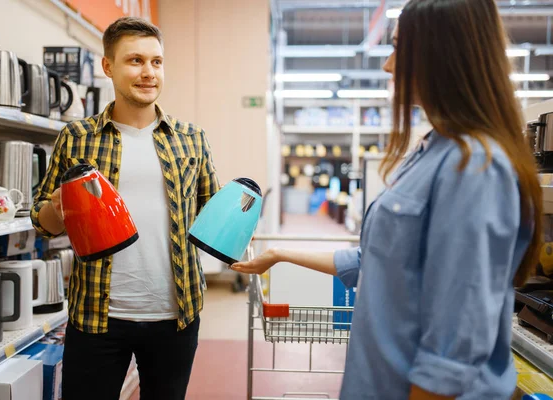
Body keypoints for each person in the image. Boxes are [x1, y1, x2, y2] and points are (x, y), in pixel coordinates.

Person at [232, 0, 543, 399]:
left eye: (399, 49)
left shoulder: (475, 167)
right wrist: (279, 253)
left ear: (442, 54)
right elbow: (374, 262)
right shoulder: (430, 152)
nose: (388, 65)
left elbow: (451, 352)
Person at [31, 17, 220, 400]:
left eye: (156, 62)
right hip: (98, 315)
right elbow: (43, 222)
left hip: (176, 315)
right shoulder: (78, 137)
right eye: (135, 61)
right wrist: (57, 208)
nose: (148, 72)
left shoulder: (191, 138)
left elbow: (212, 214)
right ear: (108, 67)